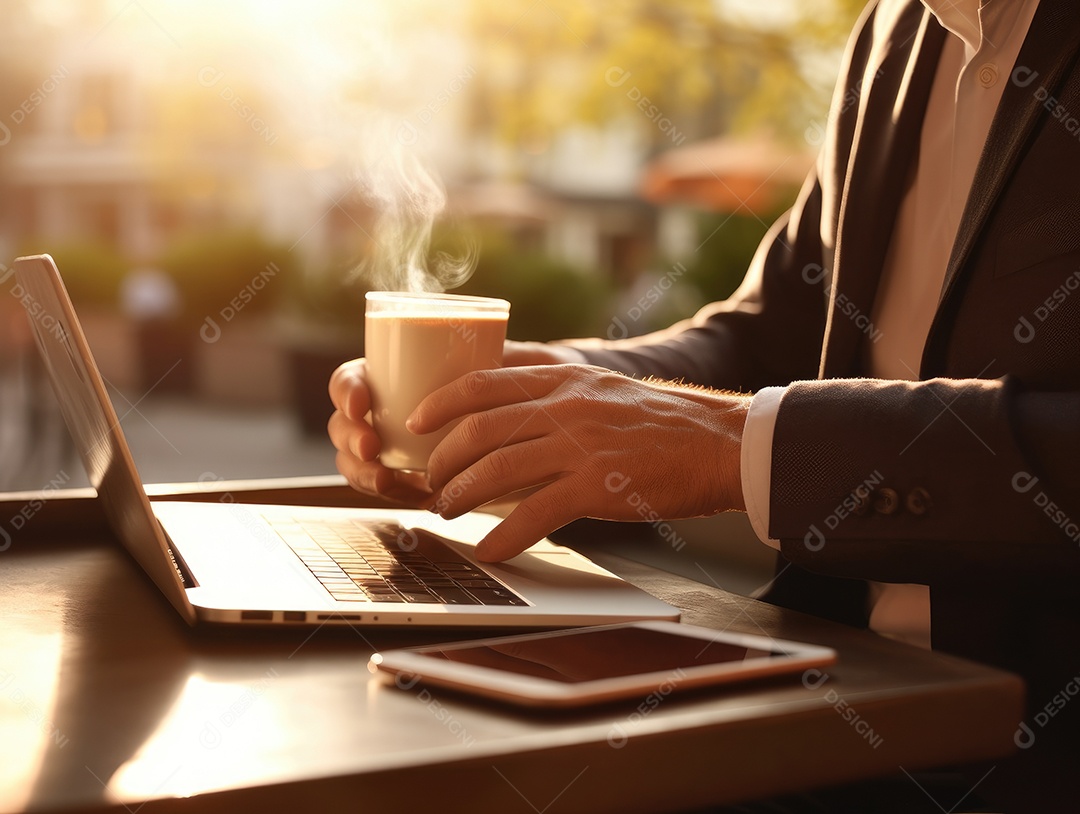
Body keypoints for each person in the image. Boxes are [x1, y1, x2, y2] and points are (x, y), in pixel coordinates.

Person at [329, 0, 1079, 808]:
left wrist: (738, 448)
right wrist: (548, 386)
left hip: (1029, 749)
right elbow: (766, 336)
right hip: (835, 703)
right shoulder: (892, 35)